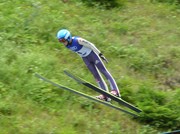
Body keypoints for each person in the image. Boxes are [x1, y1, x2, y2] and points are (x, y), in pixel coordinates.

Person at [57, 29, 120, 101]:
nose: (62, 43)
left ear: (68, 37)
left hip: (93, 55)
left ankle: (115, 91)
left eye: (63, 40)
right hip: (85, 59)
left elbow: (91, 45)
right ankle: (105, 95)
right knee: (96, 76)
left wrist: (100, 54)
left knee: (103, 71)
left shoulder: (78, 40)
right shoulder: (67, 45)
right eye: (60, 41)